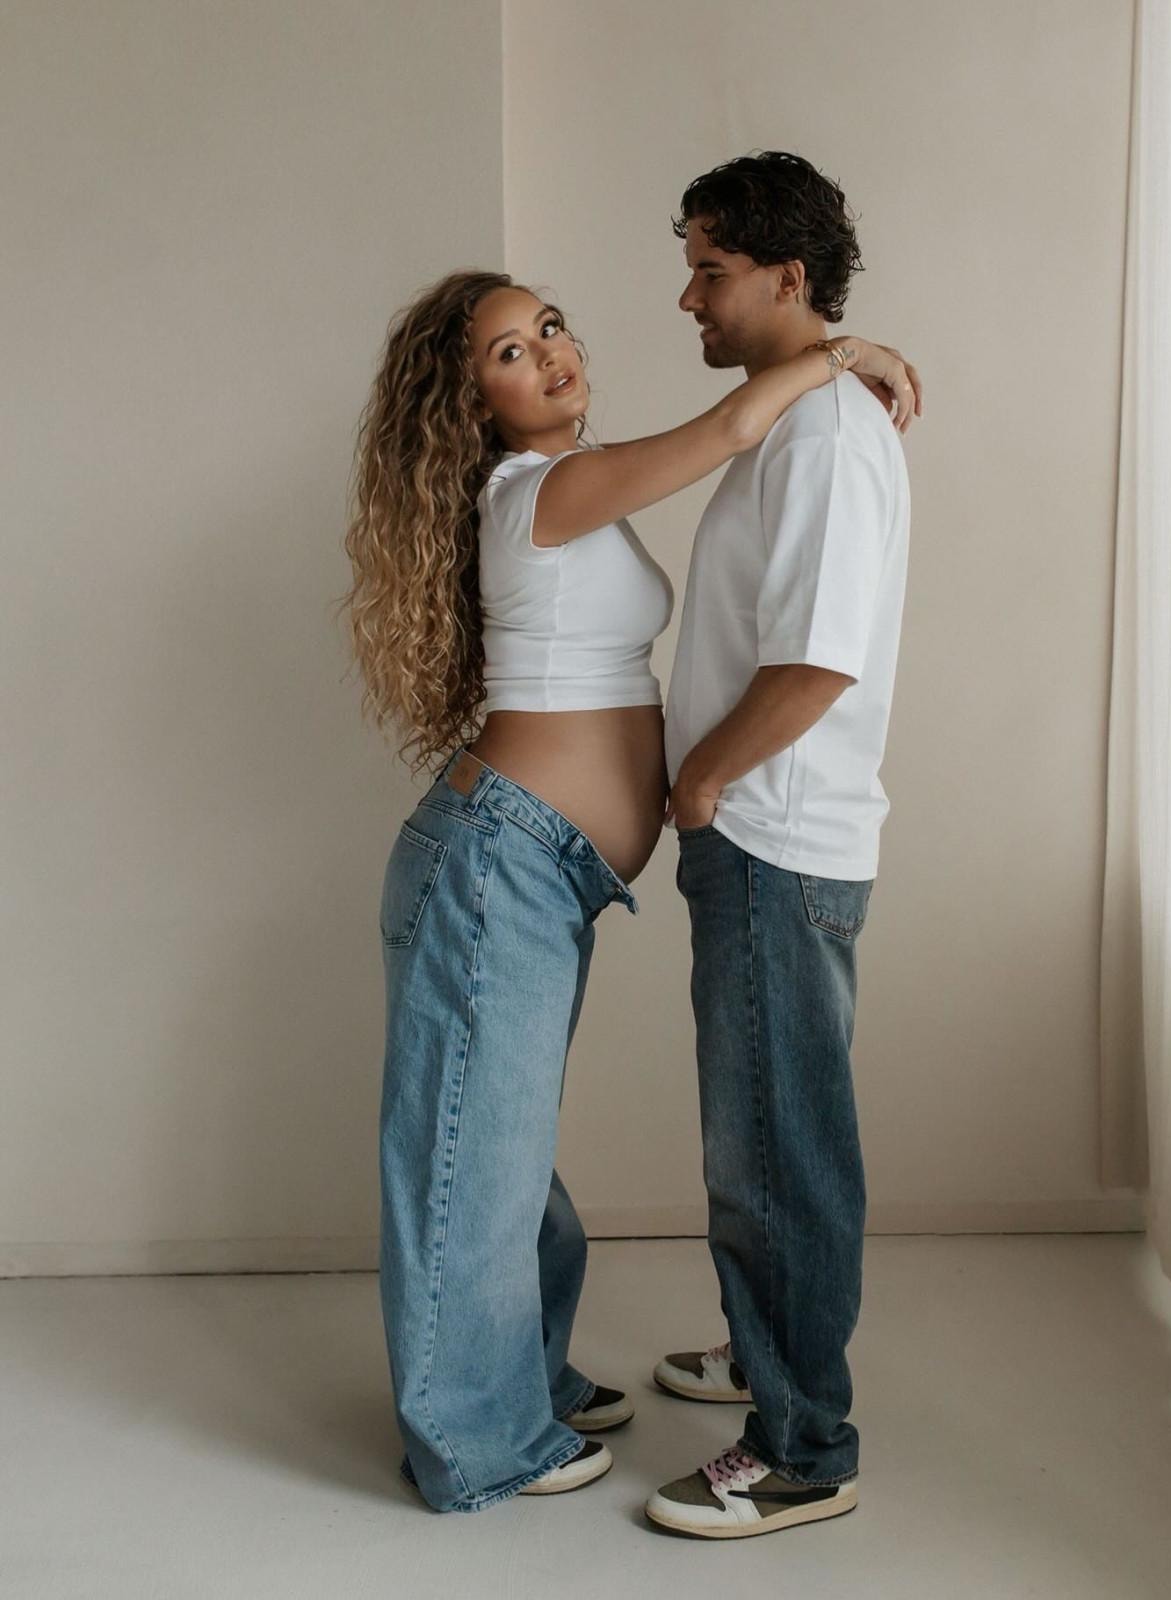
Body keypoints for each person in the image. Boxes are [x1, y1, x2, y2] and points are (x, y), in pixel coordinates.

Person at [341, 265, 917, 1514]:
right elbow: (729, 427)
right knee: (469, 1152)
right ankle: (480, 1438)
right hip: (498, 859)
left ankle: (523, 1371)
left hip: (538, 866)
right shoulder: (536, 491)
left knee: (499, 1142)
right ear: (470, 401)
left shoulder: (575, 487)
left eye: (549, 327)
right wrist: (838, 354)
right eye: (509, 350)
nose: (550, 351)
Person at [644, 151, 918, 1540]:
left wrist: (700, 781)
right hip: (768, 837)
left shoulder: (824, 441)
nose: (688, 297)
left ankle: (803, 1446)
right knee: (765, 1131)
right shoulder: (803, 417)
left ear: (786, 277)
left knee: (778, 1152)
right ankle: (769, 1355)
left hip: (771, 836)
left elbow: (814, 664)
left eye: (711, 270)